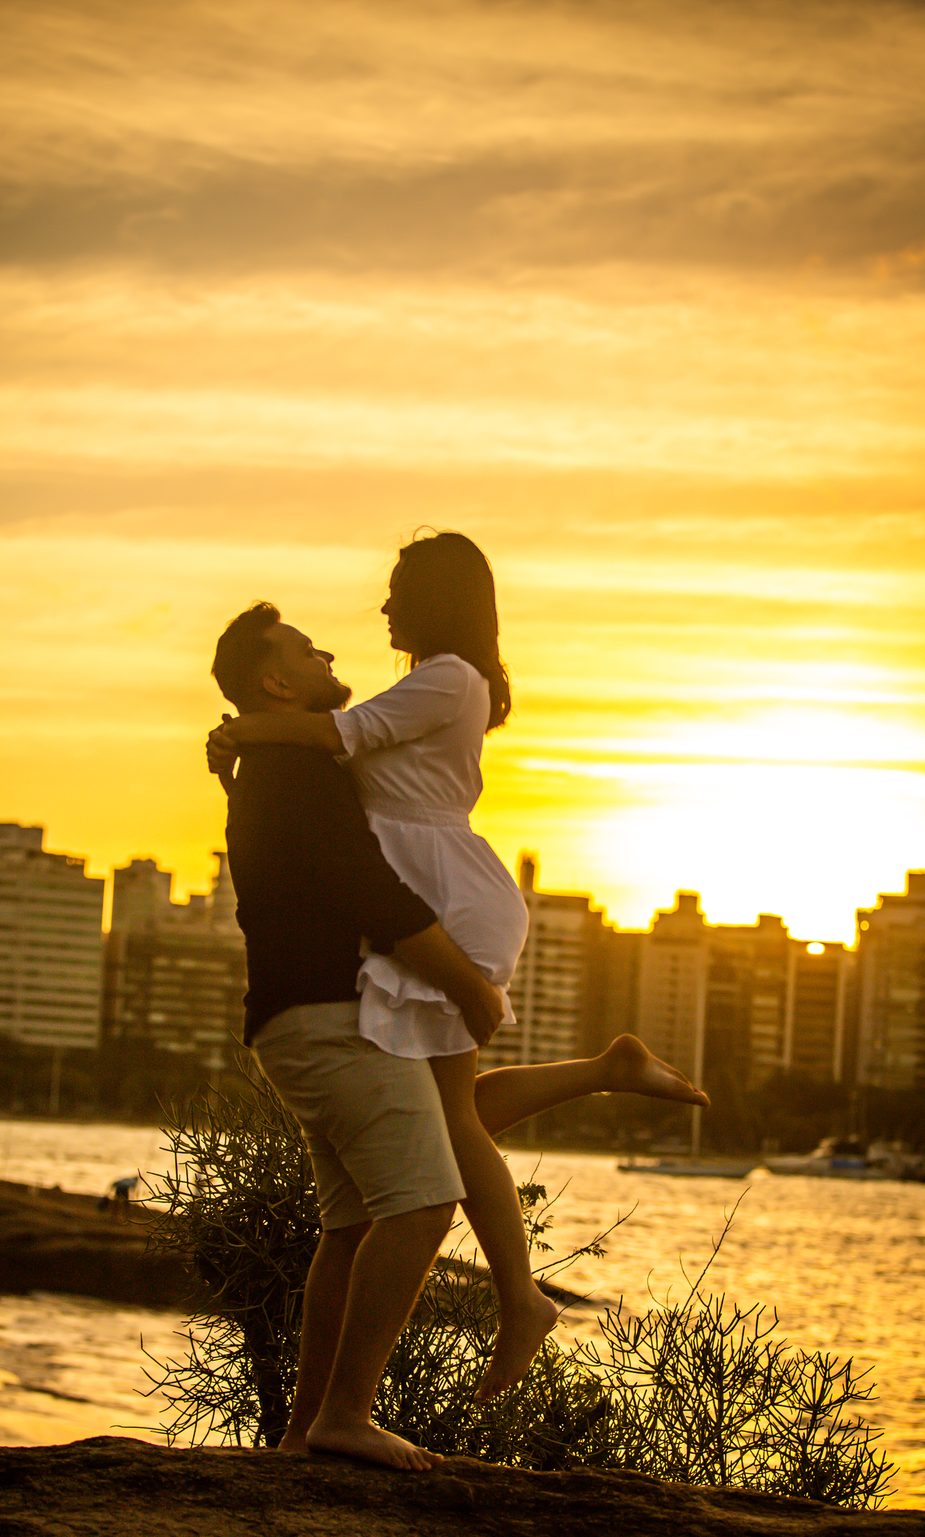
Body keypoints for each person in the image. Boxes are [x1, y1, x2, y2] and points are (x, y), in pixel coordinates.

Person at [209, 533, 708, 1409]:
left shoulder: (452, 678)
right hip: (420, 892)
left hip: (437, 898)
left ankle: (519, 1298)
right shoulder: (427, 681)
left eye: (398, 589)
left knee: (449, 1128)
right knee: (452, 1113)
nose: (385, 606)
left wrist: (241, 728)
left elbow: (340, 736)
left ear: (437, 597)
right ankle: (600, 1082)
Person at [213, 601, 507, 1470]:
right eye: (304, 649)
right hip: (332, 1019)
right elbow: (366, 890)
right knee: (421, 1205)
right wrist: (469, 987)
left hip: (302, 1020)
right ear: (276, 680)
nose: (326, 650)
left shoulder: (274, 764)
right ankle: (345, 1415)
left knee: (348, 1229)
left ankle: (307, 1429)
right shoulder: (290, 772)